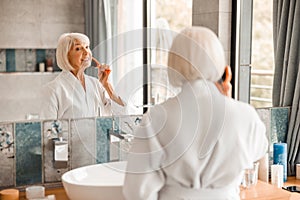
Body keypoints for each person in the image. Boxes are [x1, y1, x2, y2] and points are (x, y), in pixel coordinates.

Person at [122, 26, 268, 200]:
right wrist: (228, 101)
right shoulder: (246, 115)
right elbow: (258, 150)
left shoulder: (157, 117)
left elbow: (138, 192)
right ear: (218, 61)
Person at [40, 33, 124, 119]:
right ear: (66, 55)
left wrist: (106, 85)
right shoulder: (53, 89)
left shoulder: (96, 84)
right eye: (78, 49)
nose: (86, 52)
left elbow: (122, 114)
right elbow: (48, 129)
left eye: (87, 47)